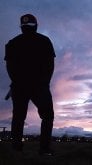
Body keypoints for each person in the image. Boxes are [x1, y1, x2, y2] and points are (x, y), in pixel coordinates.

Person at [4, 14, 56, 156]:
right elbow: (50, 66)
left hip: (20, 87)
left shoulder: (12, 43)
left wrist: (16, 82)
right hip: (39, 87)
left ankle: (16, 148)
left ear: (22, 28)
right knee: (47, 116)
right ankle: (44, 149)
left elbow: (9, 67)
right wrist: (44, 83)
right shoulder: (44, 41)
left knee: (18, 117)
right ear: (36, 25)